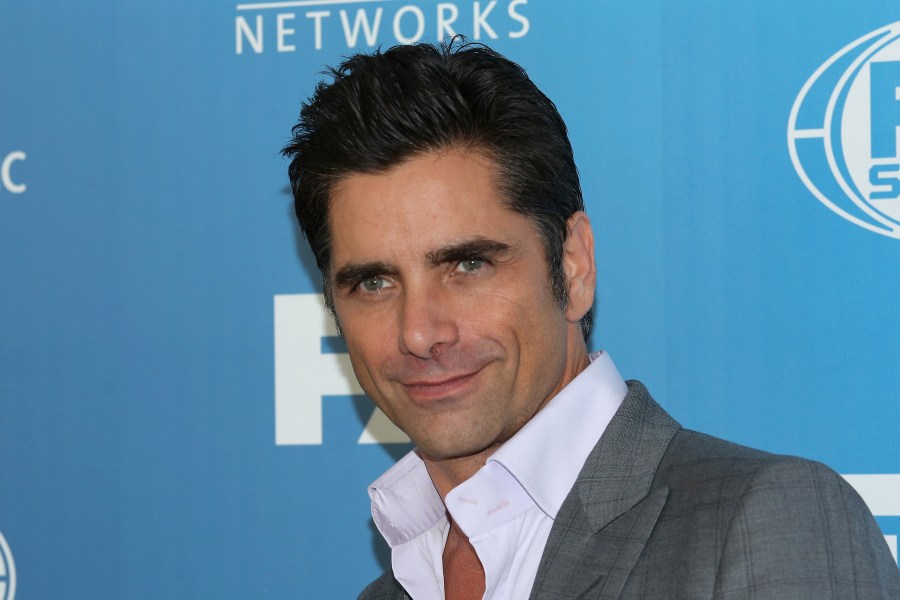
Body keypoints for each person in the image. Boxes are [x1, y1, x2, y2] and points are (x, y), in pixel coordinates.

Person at [282, 40, 899, 600]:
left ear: (573, 265)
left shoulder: (761, 521)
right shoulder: (391, 593)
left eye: (468, 264)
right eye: (374, 282)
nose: (419, 332)